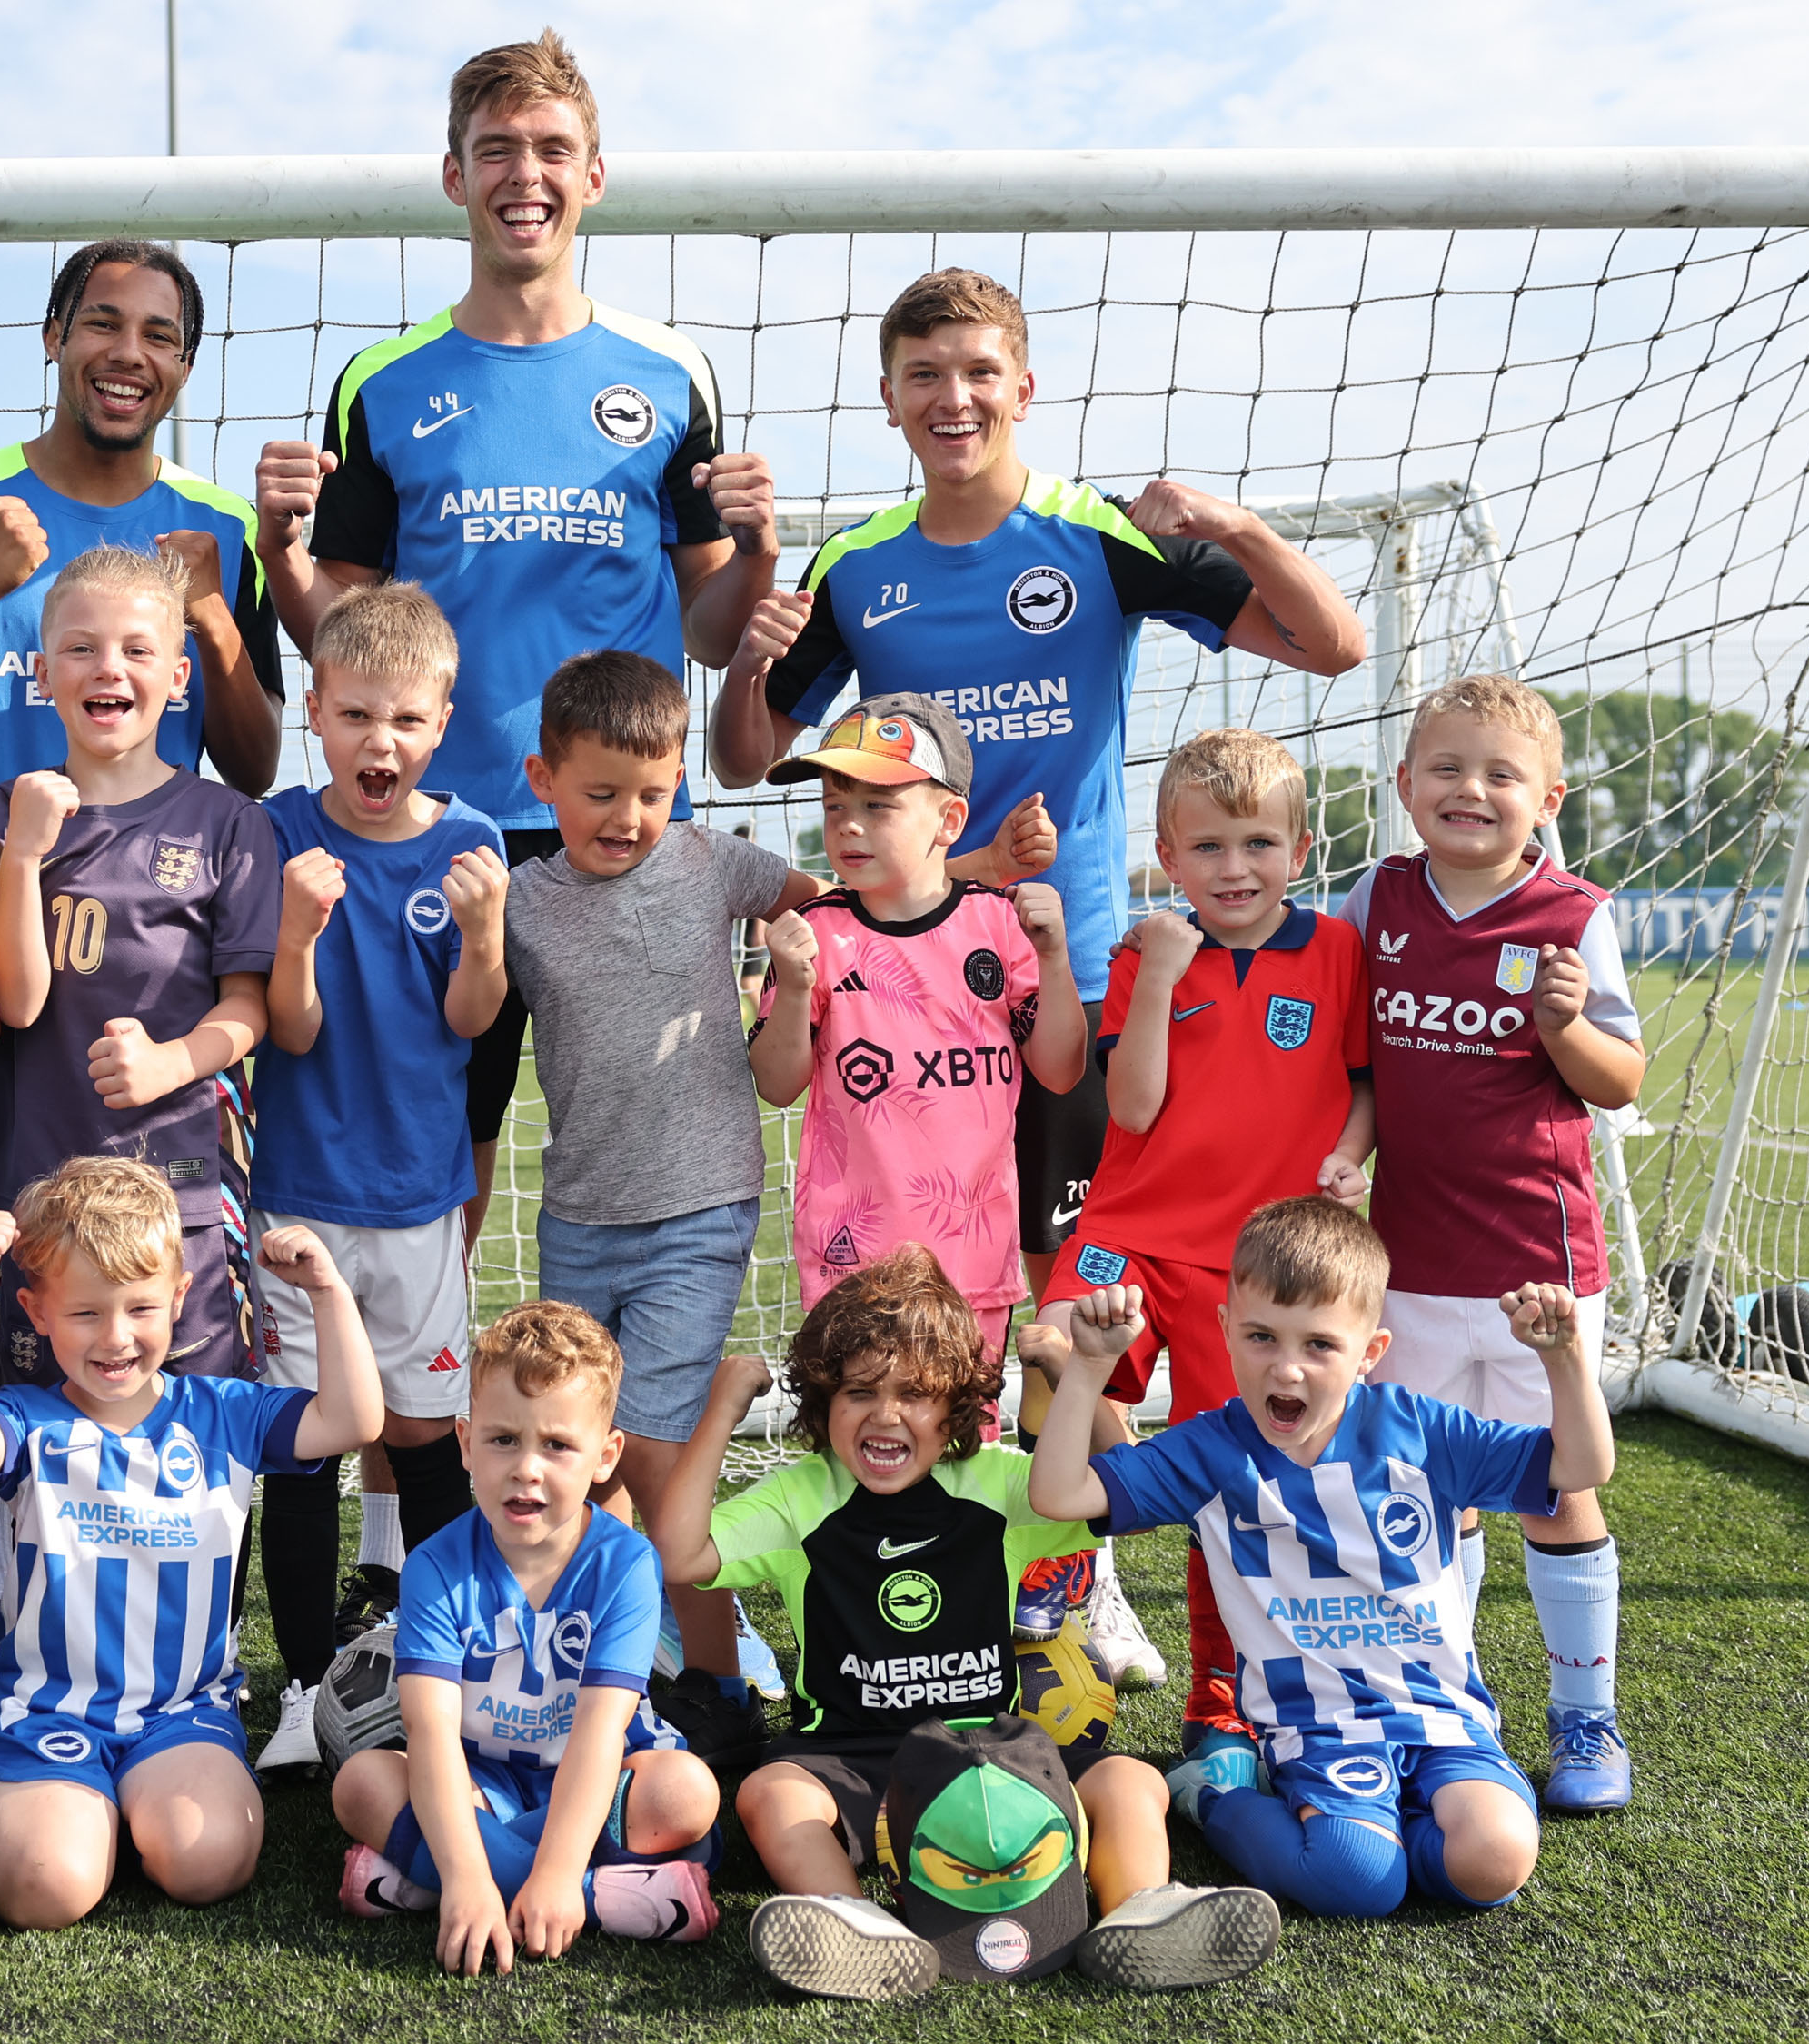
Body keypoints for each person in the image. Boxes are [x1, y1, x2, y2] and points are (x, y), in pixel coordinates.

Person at [707, 264, 1364, 1324]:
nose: (950, 398)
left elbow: (1333, 648)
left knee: (1072, 1277)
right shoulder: (858, 564)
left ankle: (1062, 1487)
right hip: (914, 972)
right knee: (913, 1271)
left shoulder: (1103, 537)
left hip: (1073, 961)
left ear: (1023, 388)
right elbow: (745, 759)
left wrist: (1232, 527)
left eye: (978, 371)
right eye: (923, 375)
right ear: (887, 398)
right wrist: (746, 661)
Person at [251, 30, 781, 1238]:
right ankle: (425, 1420)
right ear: (455, 176)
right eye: (496, 150)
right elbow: (345, 636)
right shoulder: (382, 382)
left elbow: (708, 629)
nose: (523, 175)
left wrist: (754, 556)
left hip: (628, 827)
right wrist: (282, 558)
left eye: (552, 149)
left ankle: (620, 1420)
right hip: (441, 828)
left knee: (647, 1162)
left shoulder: (669, 371)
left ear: (595, 174)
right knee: (441, 1153)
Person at [653, 1249, 1279, 2001]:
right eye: (859, 1392)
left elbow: (1136, 1494)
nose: (886, 1415)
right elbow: (682, 1555)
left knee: (1129, 1779)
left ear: (954, 1409)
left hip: (994, 1754)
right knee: (770, 1794)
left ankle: (1144, 1909)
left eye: (915, 1394)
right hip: (852, 1757)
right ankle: (852, 1925)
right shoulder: (801, 1499)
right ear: (824, 1404)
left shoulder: (999, 1486)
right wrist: (723, 1408)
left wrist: (1075, 1371)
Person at [1024, 1196, 1616, 1919]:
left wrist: (1565, 1360)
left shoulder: (1421, 1430)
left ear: (1370, 1352)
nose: (1288, 1369)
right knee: (1359, 1881)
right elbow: (1058, 1493)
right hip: (1315, 1728)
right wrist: (1087, 1368)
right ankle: (1213, 1794)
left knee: (1495, 1858)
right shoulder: (1214, 1449)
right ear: (1225, 1334)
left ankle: (1402, 1832)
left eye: (1320, 1346)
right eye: (1263, 1337)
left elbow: (1581, 1462)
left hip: (1443, 1716)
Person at [0, 1156, 379, 1928]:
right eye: (86, 1314)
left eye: (139, 1309)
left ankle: (129, 1810)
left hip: (180, 1713)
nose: (117, 1338)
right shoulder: (28, 1421)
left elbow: (353, 1423)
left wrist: (328, 1293)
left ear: (180, 1299)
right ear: (35, 1311)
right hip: (47, 1712)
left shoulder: (224, 1413)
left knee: (209, 1864)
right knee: (42, 1891)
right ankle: (79, 1817)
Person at [1033, 727, 1372, 1779]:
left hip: (1260, 1262)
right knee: (1049, 1368)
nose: (1235, 869)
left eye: (1258, 844)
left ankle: (1222, 1692)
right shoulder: (1146, 951)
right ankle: (1053, 1628)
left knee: (1246, 1470)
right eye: (1209, 849)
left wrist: (1350, 1158)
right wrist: (1154, 981)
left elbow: (1361, 1082)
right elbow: (1128, 1106)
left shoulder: (1334, 953)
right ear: (1168, 862)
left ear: (1301, 849)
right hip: (1132, 1232)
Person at [1337, 672, 1647, 1812]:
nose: (1473, 790)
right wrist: (1346, 1155)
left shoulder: (1574, 916)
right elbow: (1362, 1066)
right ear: (1406, 785)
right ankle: (1445, 1702)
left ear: (1547, 797)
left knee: (1554, 1494)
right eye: (1448, 769)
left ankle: (1584, 1723)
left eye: (1501, 775)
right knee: (1425, 1494)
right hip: (1406, 1267)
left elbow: (1619, 1083)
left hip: (1538, 1272)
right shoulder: (1377, 899)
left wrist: (1564, 1025)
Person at [502, 650, 820, 1712]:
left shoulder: (715, 863)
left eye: (653, 792)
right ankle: (619, 1653)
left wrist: (794, 963)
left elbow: (827, 909)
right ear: (543, 778)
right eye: (600, 793)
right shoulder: (520, 902)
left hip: (702, 1206)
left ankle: (722, 1677)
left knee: (654, 1455)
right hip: (576, 1215)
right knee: (578, 1448)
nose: (630, 816)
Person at [247, 582, 512, 1771]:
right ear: (316, 711)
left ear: (442, 720)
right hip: (301, 1196)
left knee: (422, 1435)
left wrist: (489, 931)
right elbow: (286, 1032)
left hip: (418, 1200)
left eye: (405, 720)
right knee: (305, 1444)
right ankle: (303, 1685)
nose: (380, 743)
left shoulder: (473, 842)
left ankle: (439, 1671)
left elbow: (473, 1019)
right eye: (356, 716)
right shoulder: (281, 835)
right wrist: (296, 933)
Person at [0, 546, 279, 1390]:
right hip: (38, 1190)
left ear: (178, 676)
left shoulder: (228, 824)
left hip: (176, 1190)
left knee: (192, 1421)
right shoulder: (0, 813)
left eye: (137, 651)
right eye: (81, 648)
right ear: (41, 672)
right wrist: (26, 856)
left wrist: (172, 1061)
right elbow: (16, 1005)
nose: (110, 668)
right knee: (31, 1437)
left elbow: (250, 1008)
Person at [328, 1299, 722, 1969]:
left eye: (558, 1445)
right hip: (481, 1783)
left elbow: (600, 1737)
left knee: (688, 1793)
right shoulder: (432, 1566)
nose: (527, 1468)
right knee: (361, 1782)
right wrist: (467, 1879)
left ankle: (425, 1883)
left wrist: (557, 1874)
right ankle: (616, 1898)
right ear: (465, 1444)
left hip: (609, 1783)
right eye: (503, 1439)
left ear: (606, 1455)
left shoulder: (625, 1565)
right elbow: (428, 1732)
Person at [0, 238, 283, 809]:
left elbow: (255, 771)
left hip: (158, 892)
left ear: (184, 368)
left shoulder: (230, 529)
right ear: (53, 337)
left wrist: (211, 615)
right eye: (103, 325)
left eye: (159, 337)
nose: (130, 354)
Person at [746, 692, 1086, 1362]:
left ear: (949, 819)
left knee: (961, 1450)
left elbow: (1061, 1068)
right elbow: (776, 1085)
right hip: (853, 1262)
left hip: (973, 1259)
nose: (849, 826)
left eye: (878, 805)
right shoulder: (817, 934)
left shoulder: (1000, 926)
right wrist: (792, 988)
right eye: (836, 806)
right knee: (855, 1442)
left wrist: (1054, 956)